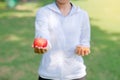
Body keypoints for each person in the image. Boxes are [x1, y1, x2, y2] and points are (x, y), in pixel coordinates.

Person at [34, 0, 91, 80]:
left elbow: (85, 43)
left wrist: (83, 49)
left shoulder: (82, 14)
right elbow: (42, 35)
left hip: (76, 75)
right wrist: (44, 45)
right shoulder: (43, 12)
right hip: (49, 74)